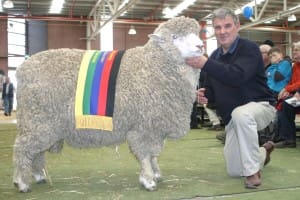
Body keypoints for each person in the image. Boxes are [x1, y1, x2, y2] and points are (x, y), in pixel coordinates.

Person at [185, 7, 276, 189]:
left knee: (241, 114)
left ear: (237, 26)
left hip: (261, 107)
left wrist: (206, 63)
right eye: (218, 27)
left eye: (227, 26)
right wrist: (205, 94)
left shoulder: (249, 48)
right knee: (234, 170)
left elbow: (237, 76)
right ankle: (263, 153)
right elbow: (212, 88)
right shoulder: (214, 57)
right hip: (233, 119)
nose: (222, 31)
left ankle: (252, 173)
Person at [274, 41, 300, 148]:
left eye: (297, 50)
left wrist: (289, 89)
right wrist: (286, 91)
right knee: (282, 104)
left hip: (298, 94)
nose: (294, 52)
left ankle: (287, 138)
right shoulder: (295, 66)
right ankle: (286, 138)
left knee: (287, 104)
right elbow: (292, 82)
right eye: (294, 50)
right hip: (297, 95)